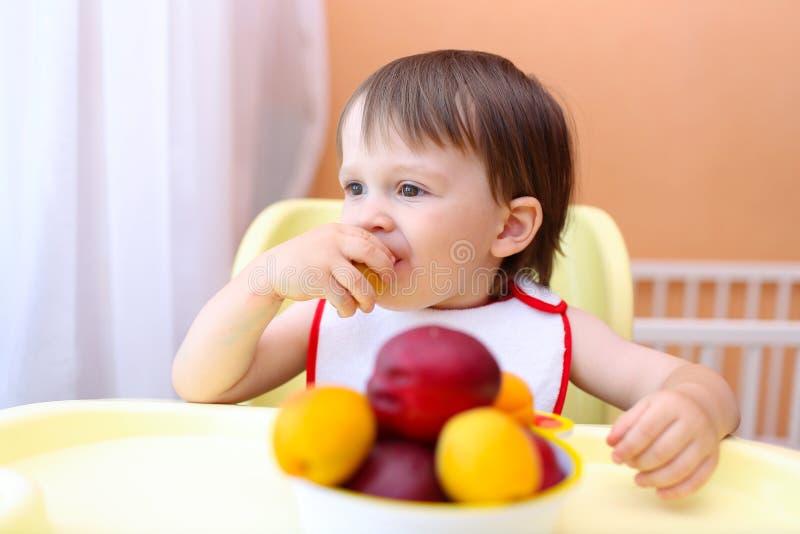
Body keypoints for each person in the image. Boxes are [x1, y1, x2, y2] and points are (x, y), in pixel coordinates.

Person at [172, 50, 739, 500]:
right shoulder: (337, 311)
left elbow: (694, 383)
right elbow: (201, 385)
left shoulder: (554, 329)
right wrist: (264, 281)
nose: (367, 215)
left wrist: (695, 410)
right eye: (355, 187)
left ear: (509, 227)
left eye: (409, 188)